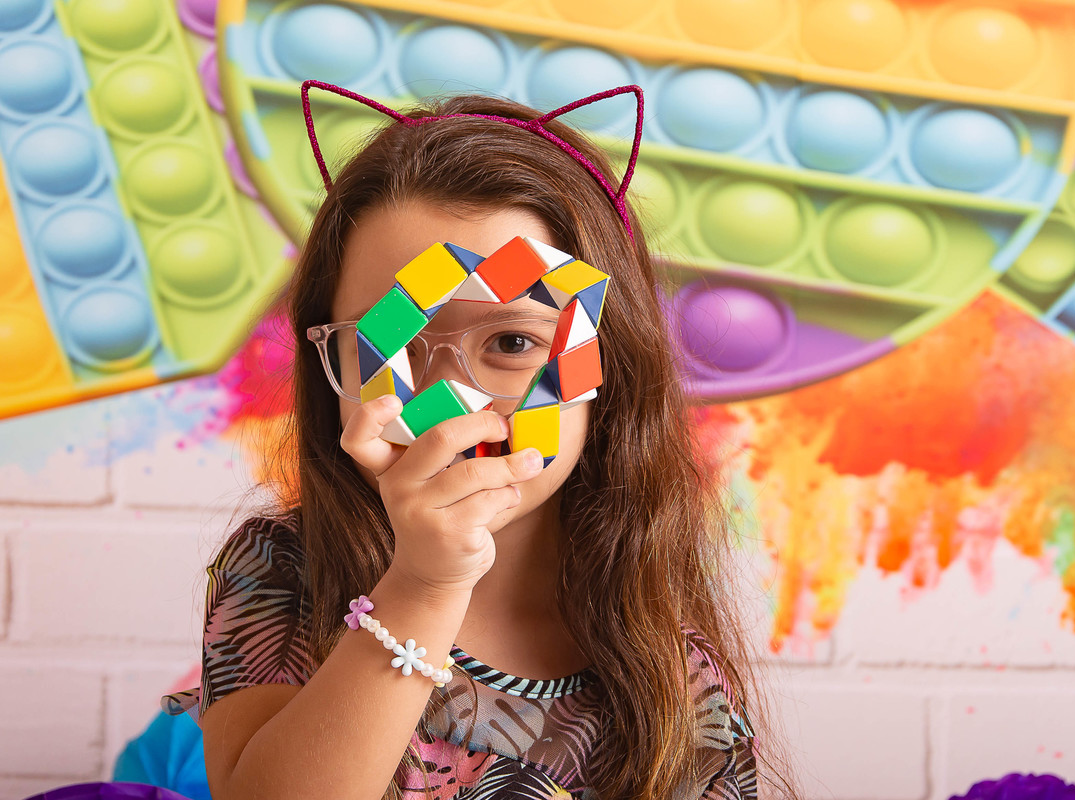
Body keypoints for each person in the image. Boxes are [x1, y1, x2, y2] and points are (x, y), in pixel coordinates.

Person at [162, 81, 796, 800]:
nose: (450, 405)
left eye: (512, 342)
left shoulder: (673, 671)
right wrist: (423, 584)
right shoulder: (282, 569)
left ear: (605, 363)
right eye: (390, 345)